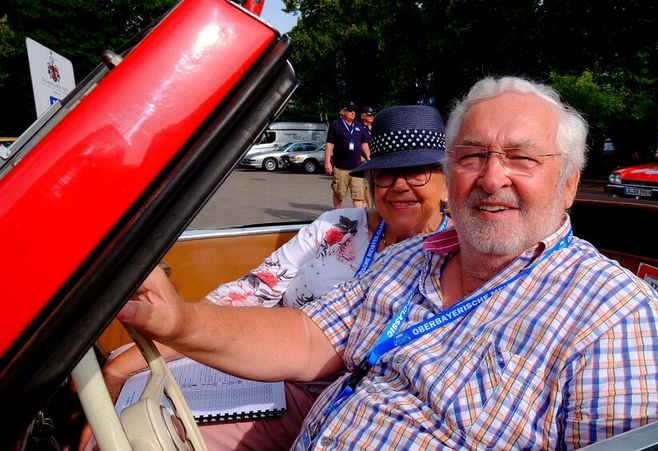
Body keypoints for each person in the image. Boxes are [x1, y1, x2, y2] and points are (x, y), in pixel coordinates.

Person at [119, 77, 658, 449]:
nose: (492, 177)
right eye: (473, 155)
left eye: (522, 158)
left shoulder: (620, 325)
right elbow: (305, 336)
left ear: (571, 183)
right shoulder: (411, 260)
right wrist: (180, 323)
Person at [97, 105, 449, 450]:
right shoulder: (337, 227)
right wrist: (142, 353)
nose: (399, 186)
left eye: (417, 171)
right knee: (120, 377)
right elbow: (253, 289)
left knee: (136, 434)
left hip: (325, 402)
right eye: (385, 173)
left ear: (447, 182)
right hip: (256, 358)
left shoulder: (455, 265)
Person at [324, 101, 370, 208]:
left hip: (357, 168)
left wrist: (368, 157)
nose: (353, 113)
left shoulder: (359, 126)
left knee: (358, 195)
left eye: (354, 110)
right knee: (339, 193)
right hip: (341, 167)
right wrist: (327, 163)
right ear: (343, 111)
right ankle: (337, 213)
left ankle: (358, 217)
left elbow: (364, 143)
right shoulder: (336, 125)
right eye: (350, 110)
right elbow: (329, 145)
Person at [358, 106, 375, 207]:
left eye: (372, 115)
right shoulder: (359, 128)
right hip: (365, 160)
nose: (371, 116)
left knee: (372, 183)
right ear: (363, 116)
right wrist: (361, 157)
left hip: (374, 159)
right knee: (367, 184)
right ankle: (369, 206)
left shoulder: (372, 128)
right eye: (369, 115)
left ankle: (367, 204)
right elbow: (357, 143)